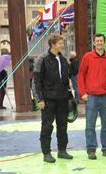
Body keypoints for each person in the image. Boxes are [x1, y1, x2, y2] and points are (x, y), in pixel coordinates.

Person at [32, 34, 74, 163]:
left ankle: (62, 151)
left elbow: (66, 80)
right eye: (60, 43)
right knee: (47, 127)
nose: (63, 45)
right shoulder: (41, 59)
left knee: (63, 126)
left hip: (62, 99)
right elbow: (36, 81)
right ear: (53, 45)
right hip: (48, 100)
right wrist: (39, 99)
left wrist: (70, 97)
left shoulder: (63, 59)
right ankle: (46, 153)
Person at [78, 33, 106, 160]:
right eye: (97, 41)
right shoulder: (87, 57)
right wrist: (83, 93)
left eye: (101, 41)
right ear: (94, 43)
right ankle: (91, 150)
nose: (99, 43)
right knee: (90, 125)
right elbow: (81, 75)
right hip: (91, 96)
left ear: (104, 42)